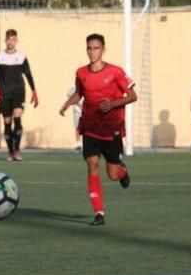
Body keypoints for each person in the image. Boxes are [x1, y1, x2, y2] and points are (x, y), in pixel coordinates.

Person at [58, 33, 138, 226]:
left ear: (103, 50)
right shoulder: (81, 73)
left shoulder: (116, 72)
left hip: (111, 128)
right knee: (92, 164)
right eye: (89, 48)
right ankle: (99, 213)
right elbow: (79, 93)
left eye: (96, 48)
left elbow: (133, 95)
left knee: (112, 174)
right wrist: (67, 104)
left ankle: (122, 172)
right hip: (91, 126)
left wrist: (113, 104)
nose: (92, 52)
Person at [0, 29, 38, 161]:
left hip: (18, 91)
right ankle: (10, 151)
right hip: (4, 93)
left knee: (17, 118)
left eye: (13, 40)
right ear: (5, 40)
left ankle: (17, 150)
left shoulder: (21, 56)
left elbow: (28, 73)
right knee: (7, 122)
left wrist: (34, 90)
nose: (11, 42)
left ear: (16, 41)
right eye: (8, 39)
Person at [66, 83, 83, 151]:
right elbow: (70, 96)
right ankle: (79, 143)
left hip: (88, 110)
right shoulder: (74, 85)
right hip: (77, 110)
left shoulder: (90, 83)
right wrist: (78, 104)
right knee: (77, 126)